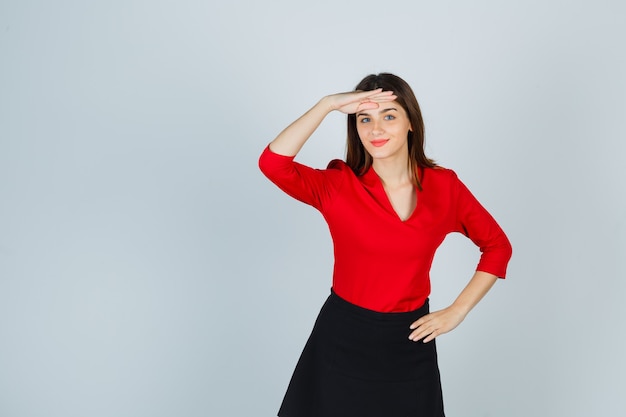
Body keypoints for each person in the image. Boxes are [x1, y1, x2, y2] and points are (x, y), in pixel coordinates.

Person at [258, 73, 512, 417]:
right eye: (365, 119)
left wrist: (458, 310)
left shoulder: (444, 187)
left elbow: (497, 246)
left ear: (411, 122)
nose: (376, 129)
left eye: (389, 116)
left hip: (410, 342)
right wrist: (328, 104)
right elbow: (273, 164)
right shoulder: (337, 186)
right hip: (343, 338)